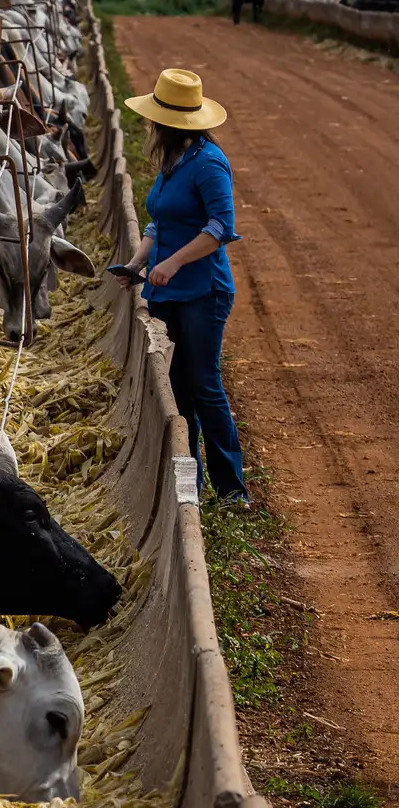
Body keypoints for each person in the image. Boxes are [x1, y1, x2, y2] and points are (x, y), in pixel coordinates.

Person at [118, 68, 249, 503]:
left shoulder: (209, 164)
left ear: (165, 124)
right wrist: (138, 262)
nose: (149, 125)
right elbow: (160, 219)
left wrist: (172, 263)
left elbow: (220, 227)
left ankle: (232, 487)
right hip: (171, 291)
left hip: (202, 291)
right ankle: (188, 484)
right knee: (178, 387)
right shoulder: (174, 164)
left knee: (204, 384)